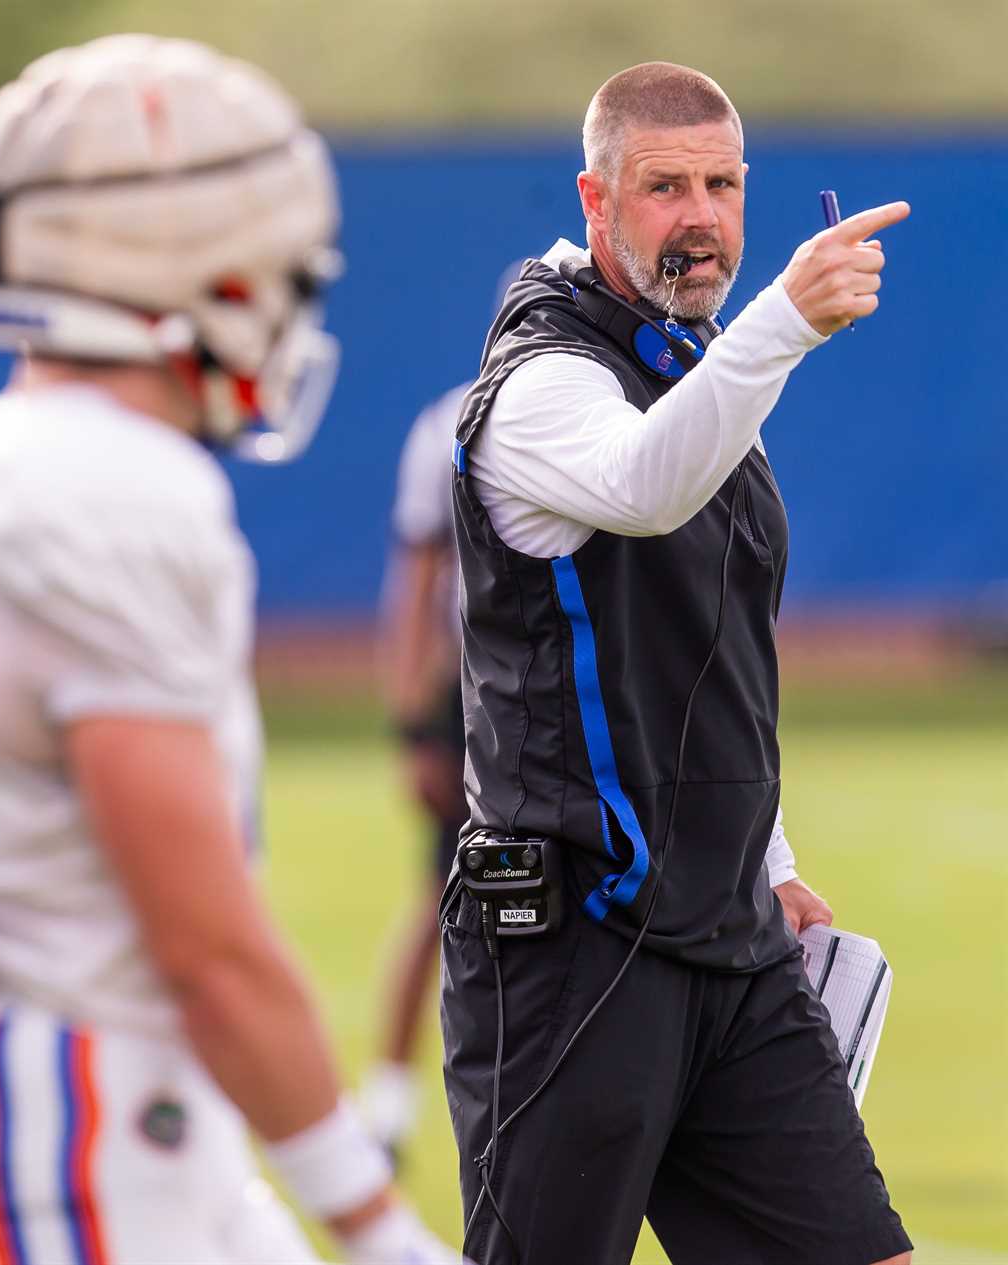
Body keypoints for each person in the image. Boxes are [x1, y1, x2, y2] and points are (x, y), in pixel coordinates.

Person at [0, 36, 465, 1265]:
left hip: (13, 1100)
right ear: (208, 277)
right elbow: (202, 942)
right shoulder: (114, 491)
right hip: (63, 1130)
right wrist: (368, 1216)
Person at [440, 62, 913, 1264]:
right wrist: (788, 322)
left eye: (721, 183)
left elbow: (696, 649)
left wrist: (767, 853)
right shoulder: (541, 378)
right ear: (595, 201)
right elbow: (642, 488)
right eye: (663, 187)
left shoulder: (682, 358)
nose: (699, 215)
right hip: (576, 941)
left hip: (729, 933)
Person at [363, 379, 470, 1160]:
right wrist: (414, 725)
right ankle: (389, 1102)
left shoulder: (627, 399)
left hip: (592, 695)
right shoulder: (456, 422)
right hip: (482, 696)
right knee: (441, 899)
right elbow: (418, 580)